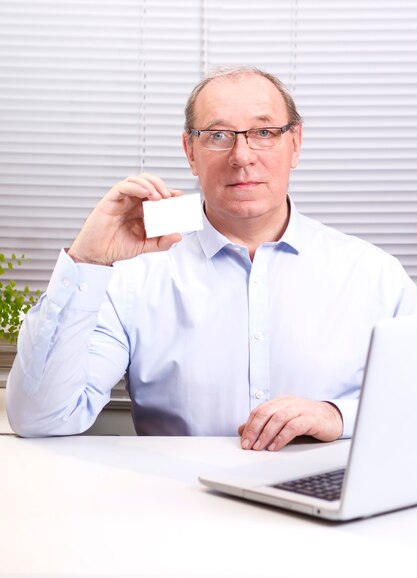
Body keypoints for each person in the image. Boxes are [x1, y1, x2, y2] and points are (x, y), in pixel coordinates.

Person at [6, 66, 417, 450]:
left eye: (265, 132)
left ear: (295, 143)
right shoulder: (134, 276)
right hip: (177, 511)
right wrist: (88, 260)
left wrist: (339, 416)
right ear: (190, 150)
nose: (242, 156)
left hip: (329, 518)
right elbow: (42, 419)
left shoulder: (374, 275)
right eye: (219, 136)